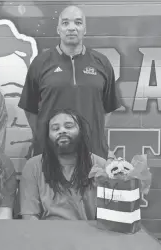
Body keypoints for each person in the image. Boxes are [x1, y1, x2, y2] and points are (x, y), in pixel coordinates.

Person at [18, 5, 122, 159]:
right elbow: (30, 109)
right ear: (58, 29)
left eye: (78, 23)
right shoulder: (40, 63)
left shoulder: (102, 63)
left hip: (92, 153)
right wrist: (44, 136)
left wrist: (93, 133)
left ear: (85, 29)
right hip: (51, 154)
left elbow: (108, 108)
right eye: (66, 23)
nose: (72, 28)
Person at [19, 109, 106, 220]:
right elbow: (30, 216)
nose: (62, 131)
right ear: (48, 136)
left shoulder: (100, 165)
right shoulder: (33, 166)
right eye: (55, 128)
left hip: (88, 234)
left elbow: (109, 217)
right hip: (46, 234)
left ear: (81, 131)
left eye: (69, 126)